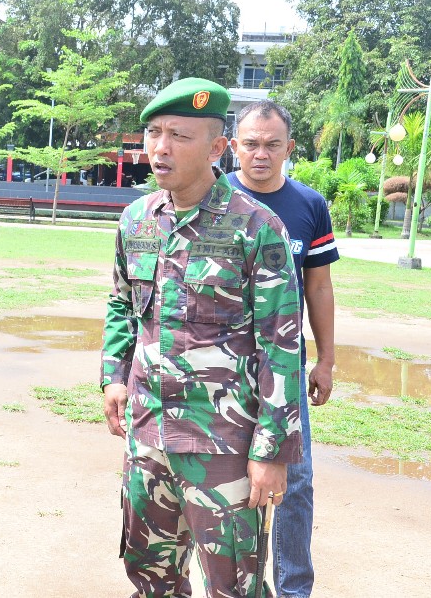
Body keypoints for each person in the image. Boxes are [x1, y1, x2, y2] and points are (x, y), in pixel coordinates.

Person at [101, 77, 303, 598]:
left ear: (217, 149)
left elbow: (280, 344)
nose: (160, 147)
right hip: (148, 436)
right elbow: (123, 304)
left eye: (178, 135)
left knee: (233, 585)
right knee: (150, 579)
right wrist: (113, 377)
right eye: (154, 132)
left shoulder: (256, 227)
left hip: (223, 445)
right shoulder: (137, 221)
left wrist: (271, 452)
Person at [228, 100, 338, 598]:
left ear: (289, 148)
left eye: (272, 145)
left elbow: (318, 287)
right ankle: (236, 584)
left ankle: (293, 588)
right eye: (250, 143)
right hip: (223, 365)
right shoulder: (214, 197)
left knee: (294, 483)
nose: (261, 154)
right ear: (233, 146)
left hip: (286, 368)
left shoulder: (308, 206)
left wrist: (326, 360)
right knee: (226, 480)